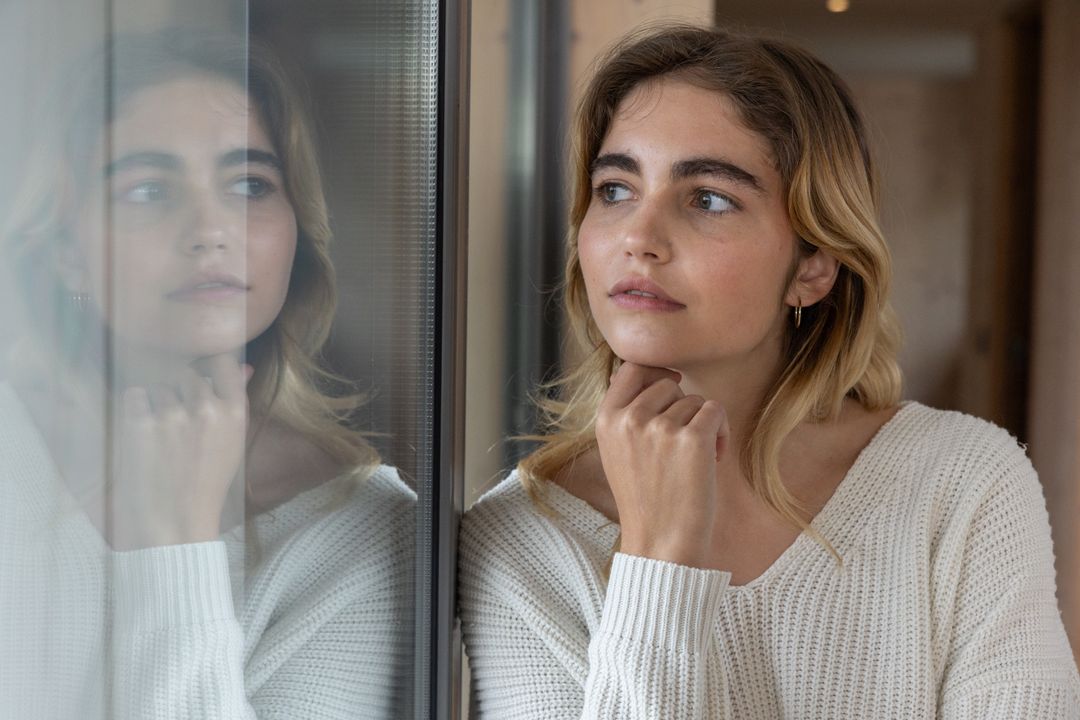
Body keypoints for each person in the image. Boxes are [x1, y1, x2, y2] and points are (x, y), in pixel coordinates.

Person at [458, 24, 1080, 719]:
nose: (638, 235)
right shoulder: (519, 534)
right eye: (614, 188)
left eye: (708, 198)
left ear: (812, 267)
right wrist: (659, 558)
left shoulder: (965, 482)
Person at [0, 31, 414, 719]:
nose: (210, 229)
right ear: (67, 250)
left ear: (296, 233)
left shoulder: (361, 525)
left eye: (249, 184)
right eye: (148, 190)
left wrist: (177, 542)